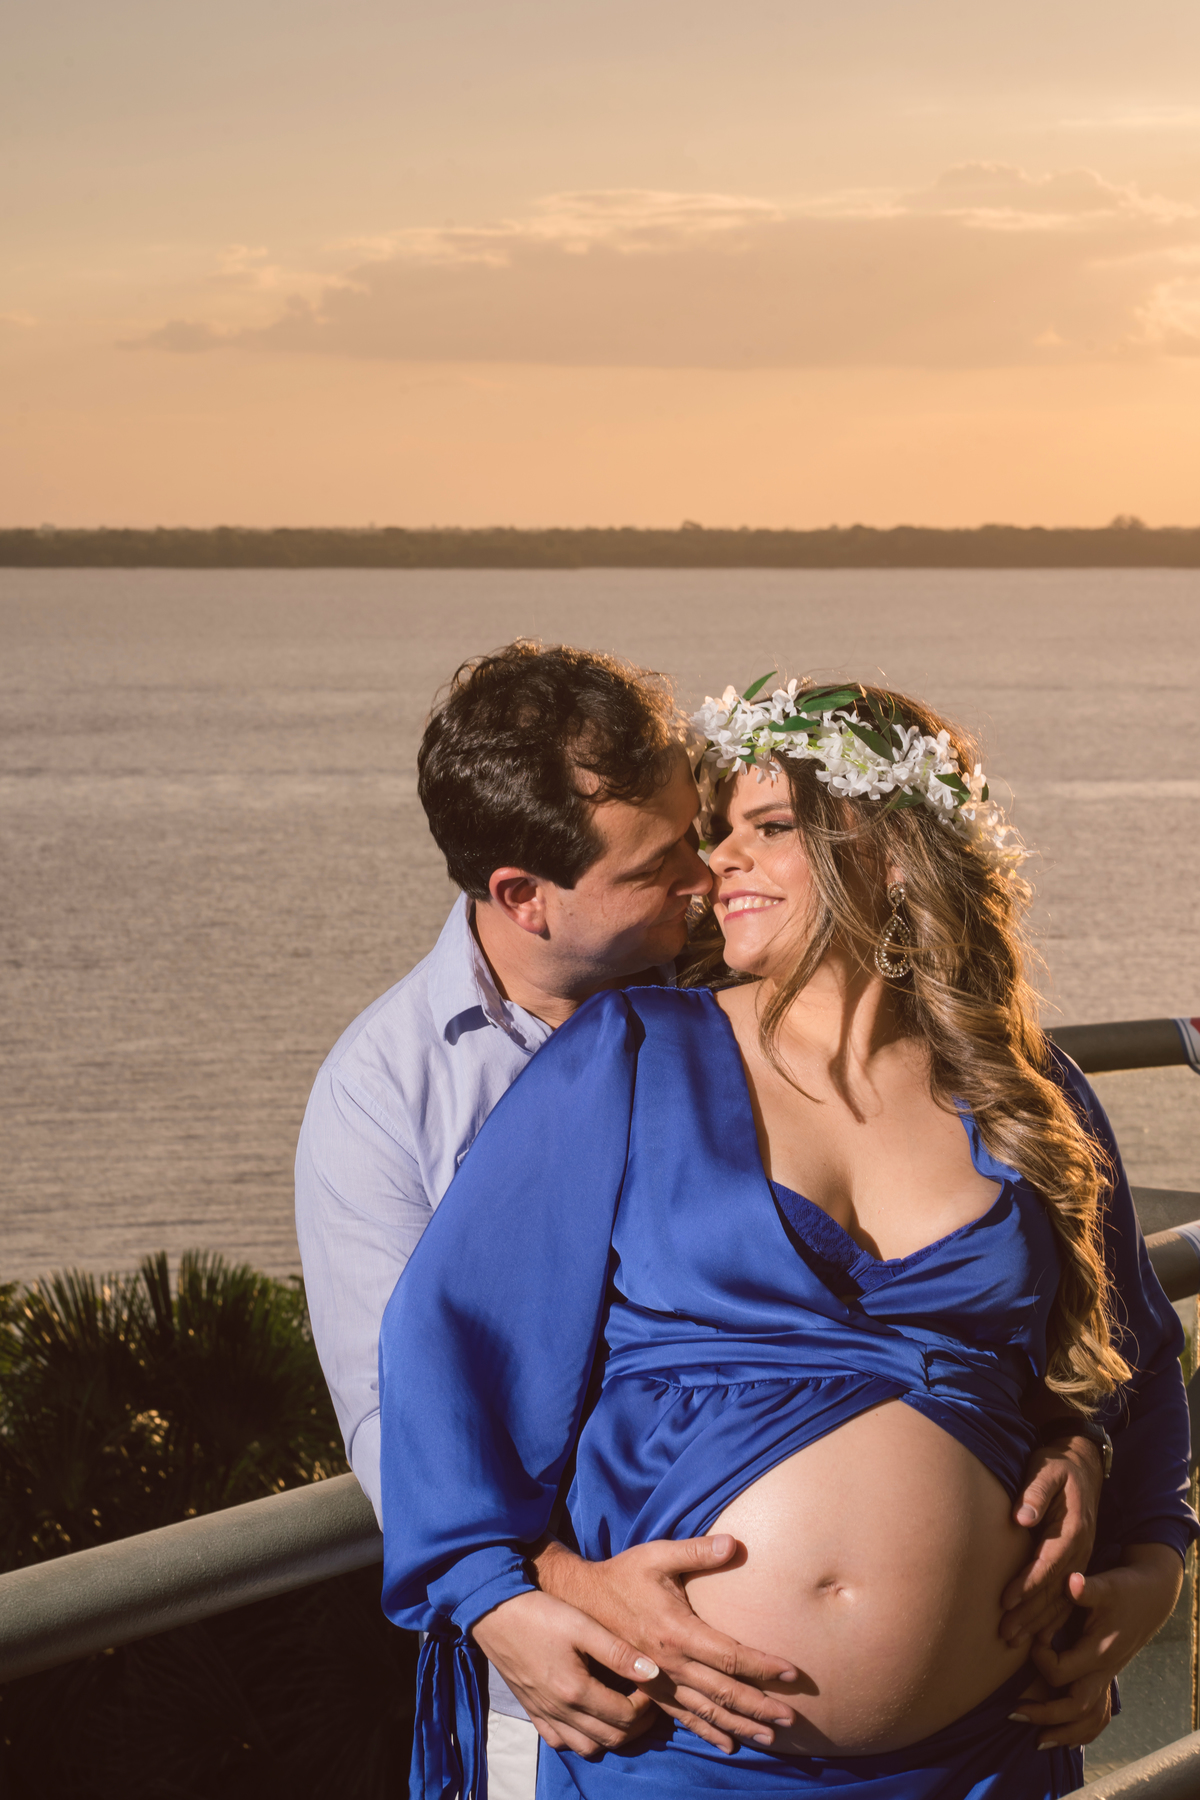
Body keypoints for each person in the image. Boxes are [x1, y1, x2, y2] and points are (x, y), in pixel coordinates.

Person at [377, 674, 1196, 1800]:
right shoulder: (626, 1056)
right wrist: (497, 1596)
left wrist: (1149, 1564)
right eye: (716, 834)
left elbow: (1131, 1356)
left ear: (899, 854)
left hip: (982, 1755)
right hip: (685, 1751)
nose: (716, 864)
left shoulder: (1025, 1091)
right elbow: (450, 1341)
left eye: (768, 830)